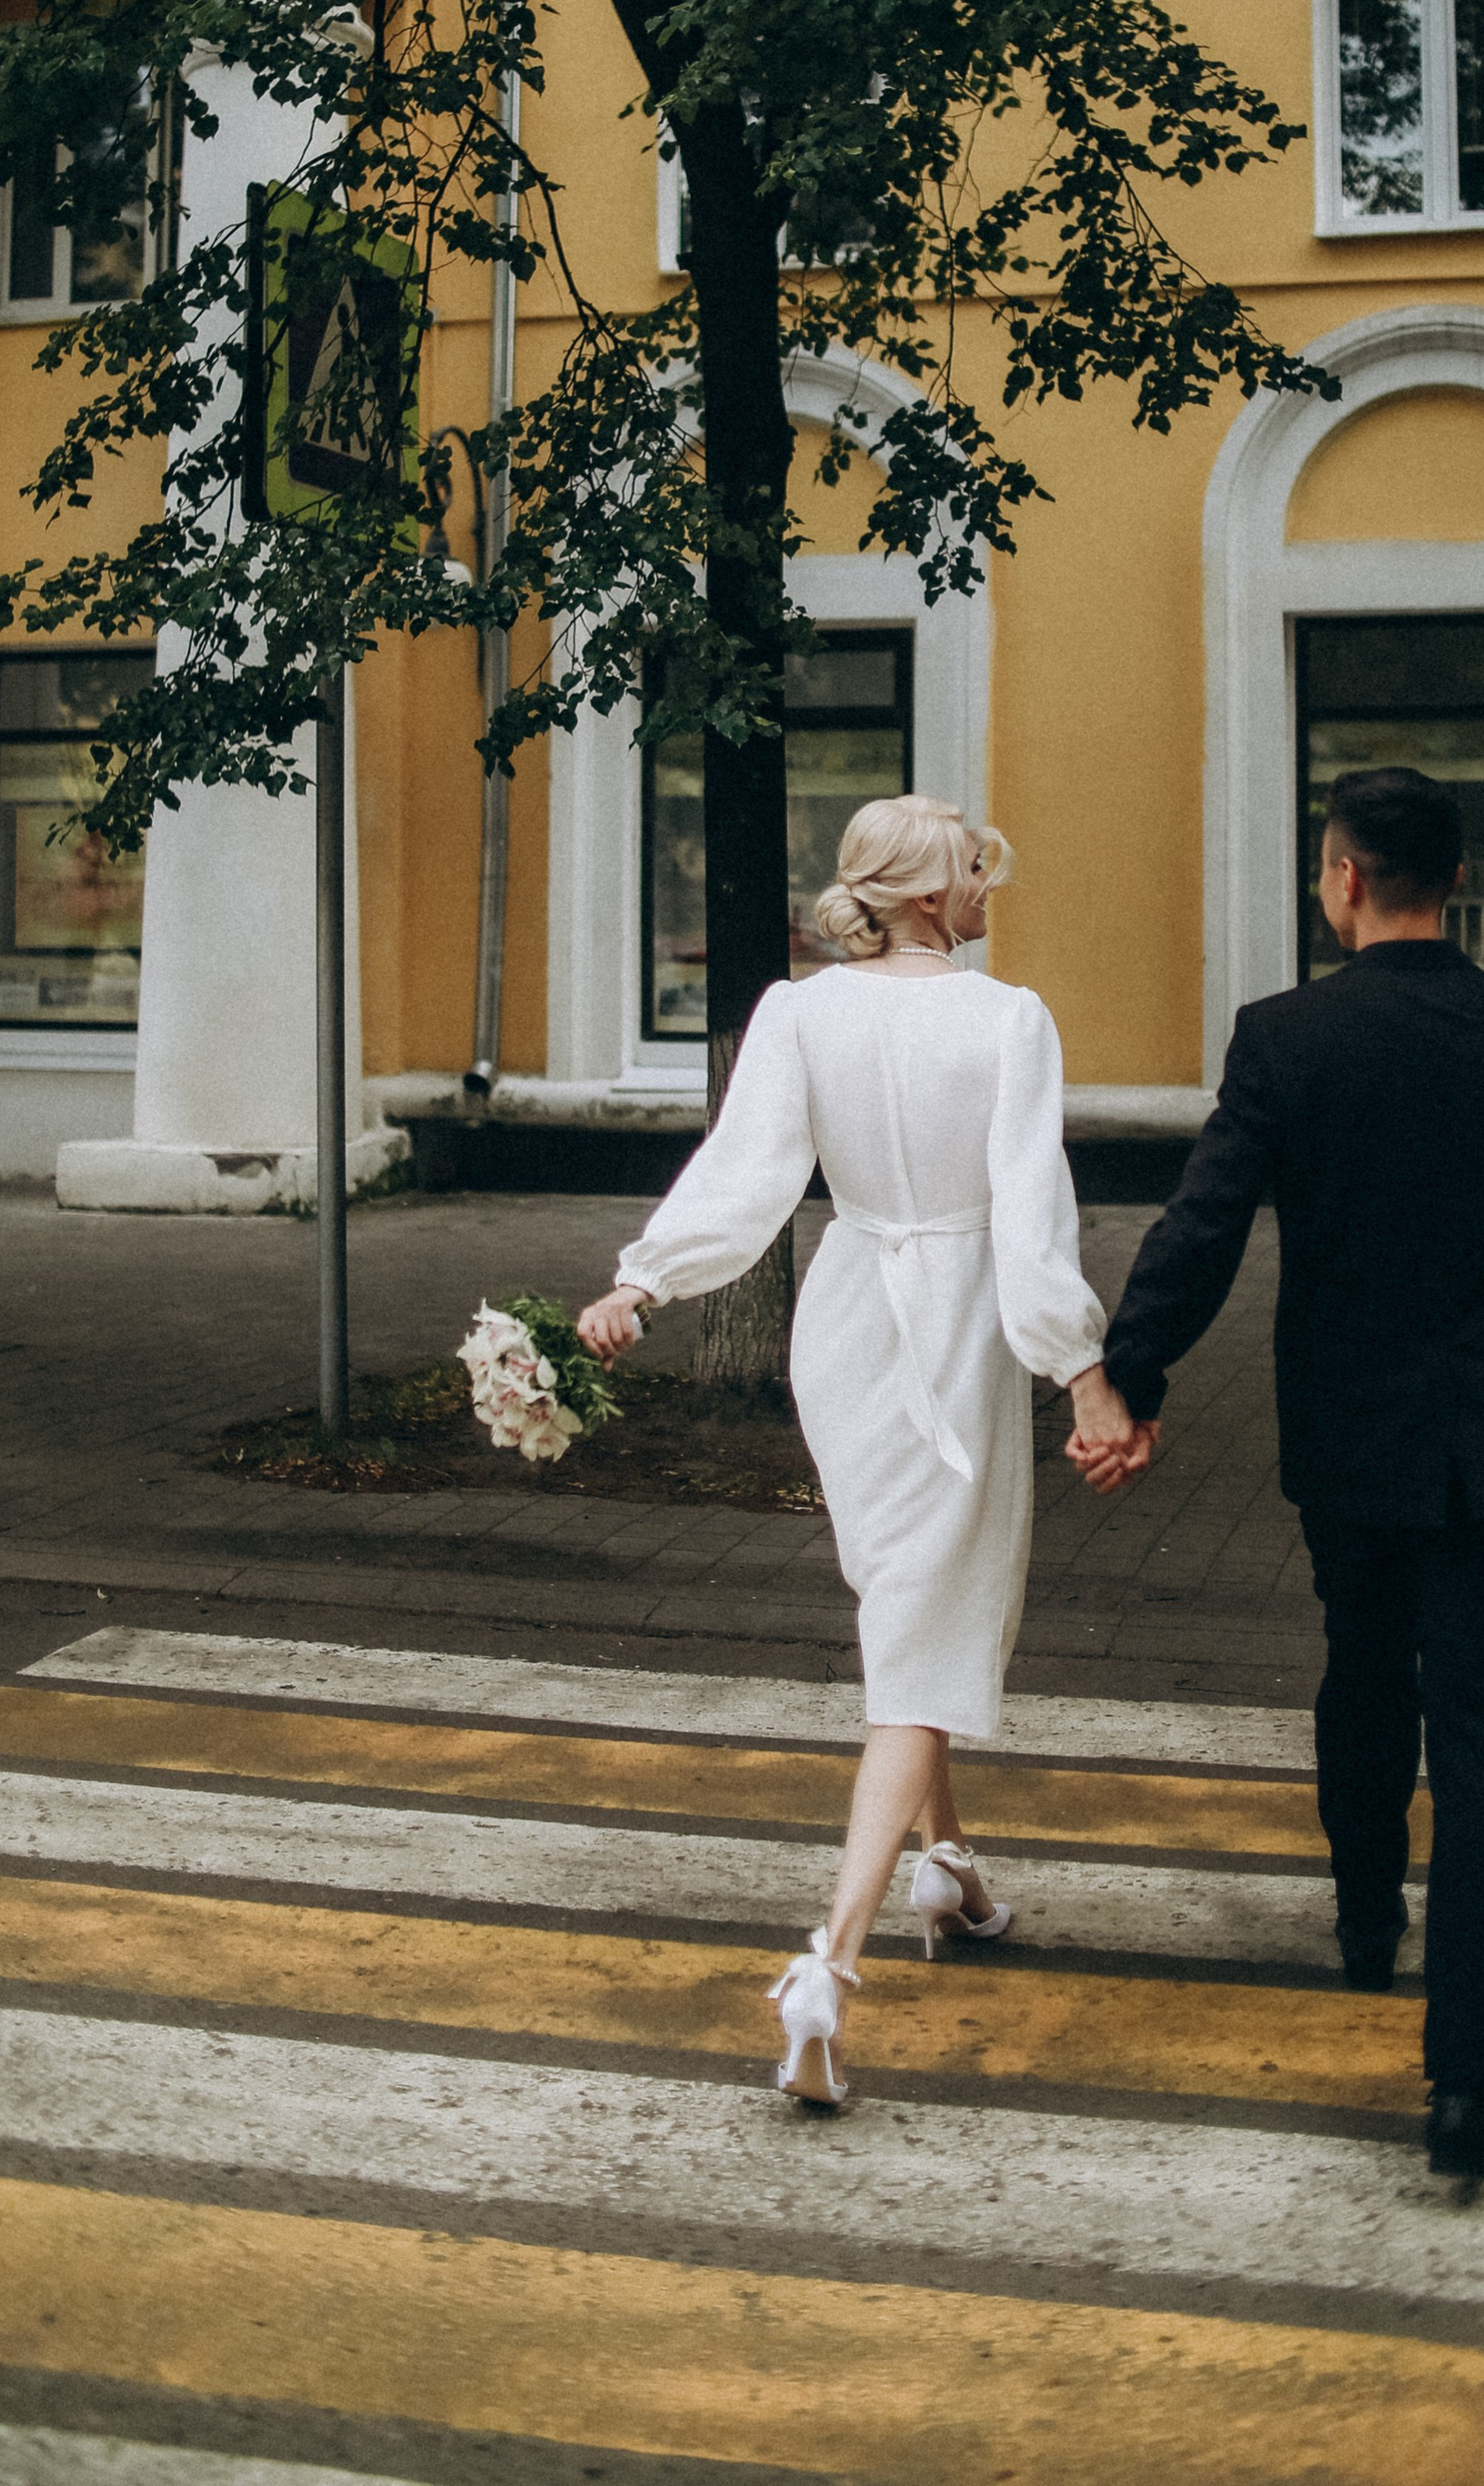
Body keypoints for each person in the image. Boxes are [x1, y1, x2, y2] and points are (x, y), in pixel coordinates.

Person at [1090, 762, 1484, 2182]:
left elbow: (1203, 1226)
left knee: (1363, 1663)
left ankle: (1362, 1917)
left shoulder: (1284, 1040)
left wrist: (1124, 1378)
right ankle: (1465, 2090)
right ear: (1455, 882)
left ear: (1339, 878)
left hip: (1349, 1443)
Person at [577, 795, 1126, 2112]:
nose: (993, 891)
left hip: (845, 1316)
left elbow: (744, 1176)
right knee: (923, 1636)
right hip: (954, 1323)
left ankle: (953, 1868)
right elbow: (1031, 1220)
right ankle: (829, 1962)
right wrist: (1084, 1370)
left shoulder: (798, 1010)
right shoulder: (1009, 1020)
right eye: (977, 874)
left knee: (904, 1602)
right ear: (932, 896)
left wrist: (644, 1284)